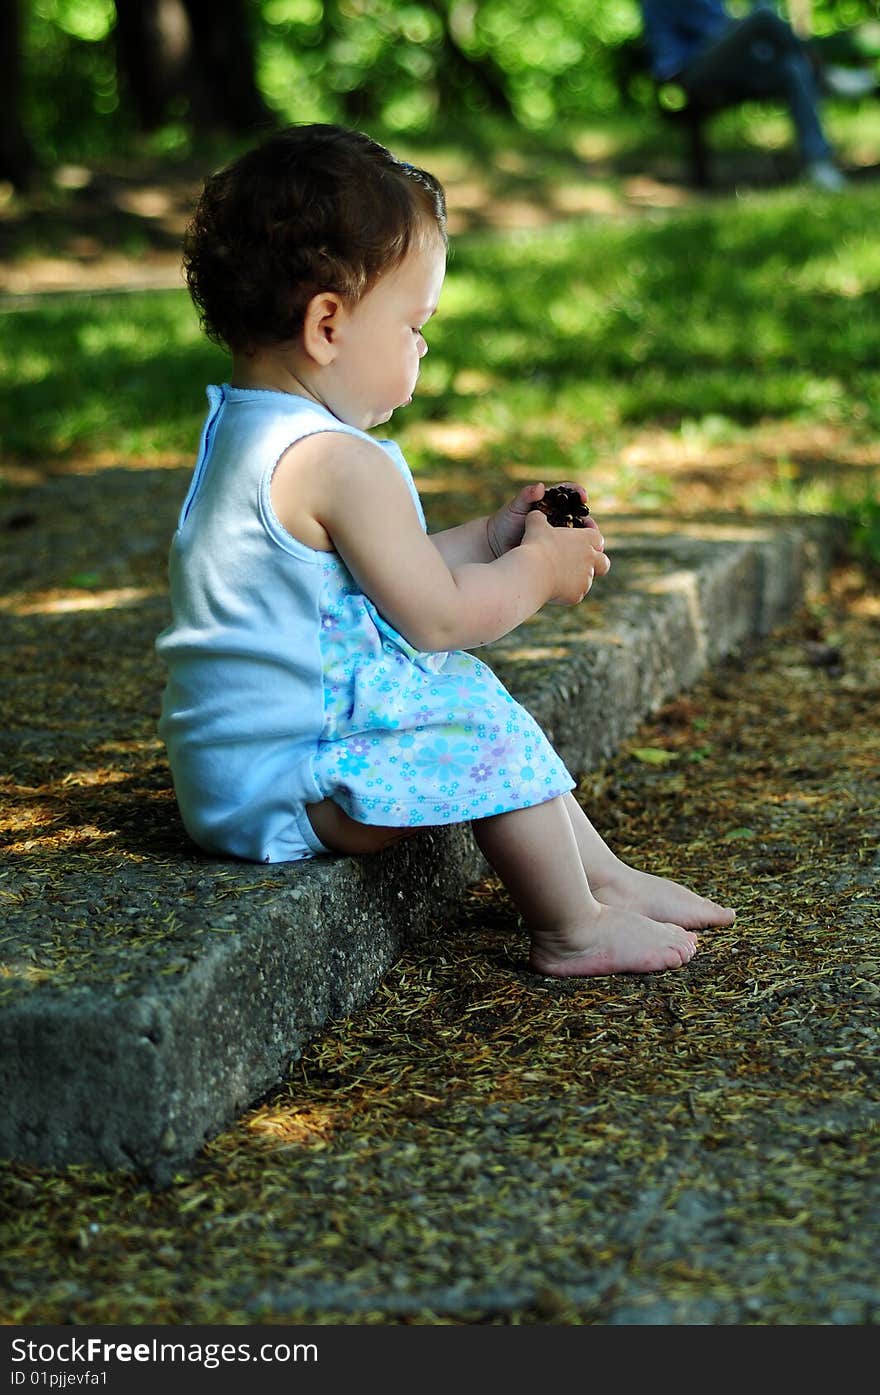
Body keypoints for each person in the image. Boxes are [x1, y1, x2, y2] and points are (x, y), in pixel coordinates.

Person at [155, 123, 735, 979]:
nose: (423, 346)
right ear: (327, 323)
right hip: (299, 788)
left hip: (238, 780)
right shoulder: (340, 461)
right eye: (414, 324)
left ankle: (604, 876)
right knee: (465, 704)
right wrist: (535, 571)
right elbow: (435, 616)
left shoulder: (247, 432)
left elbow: (373, 573)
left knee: (454, 691)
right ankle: (571, 925)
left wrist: (495, 536)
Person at [638, 0, 848, 190]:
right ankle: (823, 73)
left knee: (791, 68)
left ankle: (818, 163)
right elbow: (703, 36)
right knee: (763, 15)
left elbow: (721, 27)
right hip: (690, 73)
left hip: (726, 65)